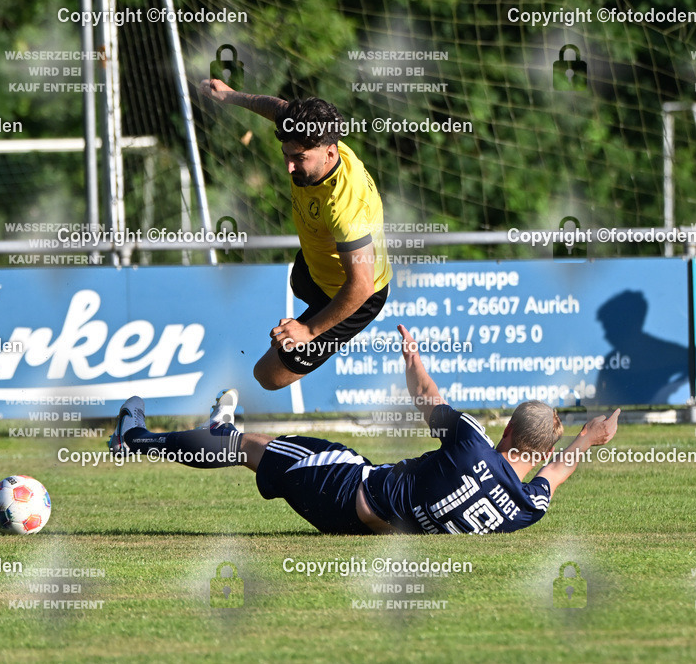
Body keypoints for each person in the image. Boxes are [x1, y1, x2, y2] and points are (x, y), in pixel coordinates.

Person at [108, 325, 621, 535]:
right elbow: (555, 472)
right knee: (256, 446)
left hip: (343, 489)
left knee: (247, 446)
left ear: (508, 433)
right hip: (360, 513)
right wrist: (588, 440)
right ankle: (216, 433)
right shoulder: (527, 508)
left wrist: (413, 357)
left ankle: (135, 439)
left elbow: (427, 398)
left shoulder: (471, 442)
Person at [198, 78, 392, 390]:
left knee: (268, 376)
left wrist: (309, 330)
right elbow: (277, 107)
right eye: (286, 154)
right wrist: (231, 95)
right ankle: (310, 314)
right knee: (298, 282)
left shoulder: (345, 206)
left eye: (299, 158)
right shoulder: (310, 131)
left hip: (355, 293)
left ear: (330, 153)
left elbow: (361, 284)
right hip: (314, 270)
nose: (289, 167)